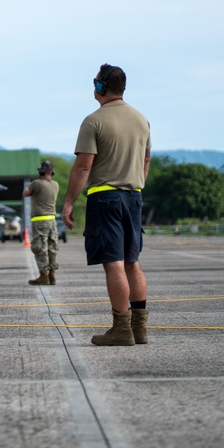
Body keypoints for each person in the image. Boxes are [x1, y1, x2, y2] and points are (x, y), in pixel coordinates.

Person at [62, 64, 151, 346]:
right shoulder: (142, 120)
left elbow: (83, 167)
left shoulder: (93, 121)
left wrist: (68, 201)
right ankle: (140, 329)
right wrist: (136, 184)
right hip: (134, 196)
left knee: (113, 263)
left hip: (105, 197)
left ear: (100, 87)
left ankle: (121, 328)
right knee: (132, 262)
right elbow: (147, 159)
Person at [24, 160, 60, 285]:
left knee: (40, 248)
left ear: (41, 171)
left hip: (40, 220)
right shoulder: (55, 184)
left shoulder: (36, 183)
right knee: (52, 247)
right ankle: (52, 275)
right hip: (52, 220)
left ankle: (44, 275)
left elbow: (25, 193)